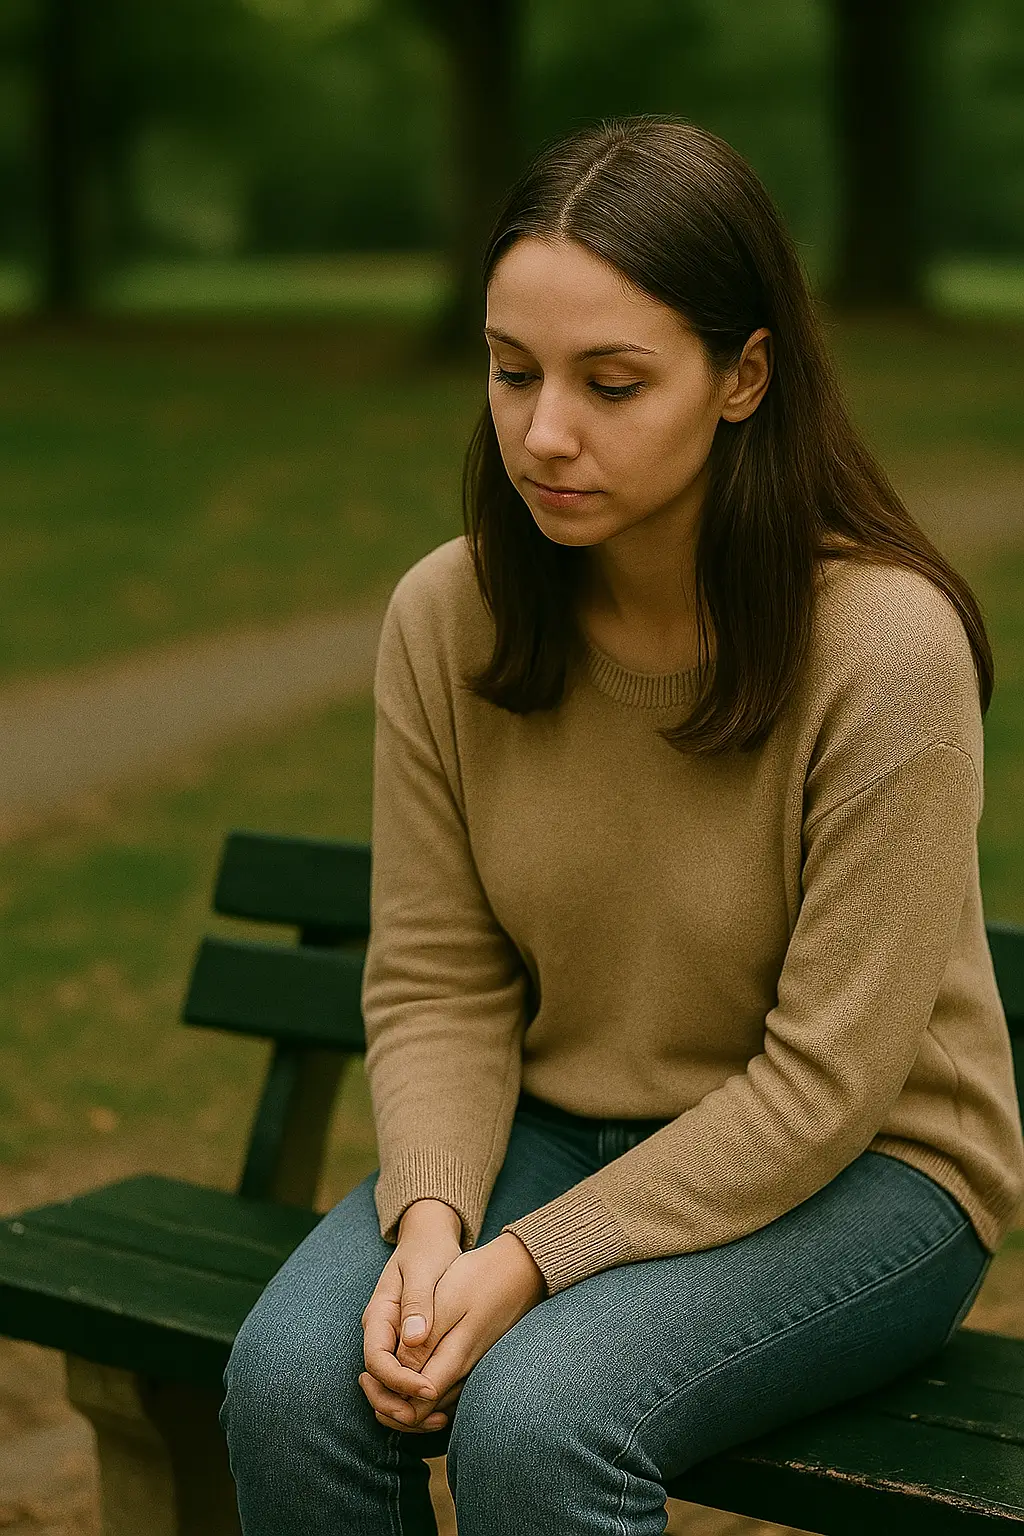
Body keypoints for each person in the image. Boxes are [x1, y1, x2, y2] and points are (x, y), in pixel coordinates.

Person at [219, 114, 1024, 1535]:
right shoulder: (449, 616)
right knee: (294, 1381)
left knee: (542, 1419)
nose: (544, 432)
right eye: (511, 370)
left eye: (612, 382)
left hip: (872, 1173)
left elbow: (827, 1085)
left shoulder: (884, 647)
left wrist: (526, 1263)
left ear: (744, 375)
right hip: (554, 1125)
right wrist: (430, 1229)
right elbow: (437, 977)